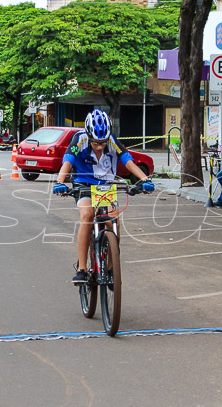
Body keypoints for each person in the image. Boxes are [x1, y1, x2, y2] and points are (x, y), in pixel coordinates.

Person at [53, 109, 154, 285]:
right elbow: (67, 162)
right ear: (88, 135)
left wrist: (144, 179)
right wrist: (60, 182)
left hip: (105, 186)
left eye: (102, 142)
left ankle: (110, 269)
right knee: (87, 216)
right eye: (95, 143)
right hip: (83, 183)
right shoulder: (79, 140)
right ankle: (82, 268)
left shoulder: (112, 141)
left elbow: (129, 162)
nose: (99, 146)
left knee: (113, 220)